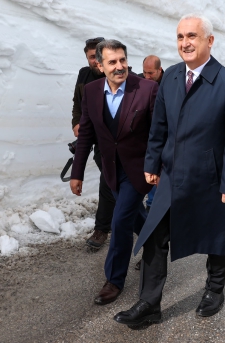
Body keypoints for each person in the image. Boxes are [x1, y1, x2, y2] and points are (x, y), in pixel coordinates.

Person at [113, 14, 225, 327]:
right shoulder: (172, 76)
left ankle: (214, 290)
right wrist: (152, 162)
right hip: (173, 175)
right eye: (180, 37)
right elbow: (158, 126)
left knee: (217, 236)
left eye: (192, 36)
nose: (185, 43)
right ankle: (149, 304)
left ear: (209, 41)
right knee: (153, 235)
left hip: (212, 178)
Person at [69, 39, 158, 306]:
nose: (119, 66)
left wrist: (157, 166)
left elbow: (159, 133)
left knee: (120, 221)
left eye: (122, 60)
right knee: (132, 215)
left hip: (139, 169)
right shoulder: (92, 91)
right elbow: (86, 134)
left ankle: (114, 280)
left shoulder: (146, 89)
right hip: (110, 168)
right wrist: (77, 172)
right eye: (112, 62)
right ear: (100, 65)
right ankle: (156, 240)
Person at [71, 38, 115, 249]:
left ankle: (102, 229)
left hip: (118, 143)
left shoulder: (117, 75)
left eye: (98, 56)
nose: (95, 61)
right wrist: (76, 123)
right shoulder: (84, 75)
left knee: (108, 182)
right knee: (112, 183)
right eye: (91, 57)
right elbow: (77, 104)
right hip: (96, 141)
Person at [138, 55, 164, 211]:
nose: (147, 77)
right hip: (144, 135)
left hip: (163, 135)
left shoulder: (170, 83)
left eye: (151, 73)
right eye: (144, 72)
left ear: (159, 70)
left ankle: (155, 205)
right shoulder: (139, 82)